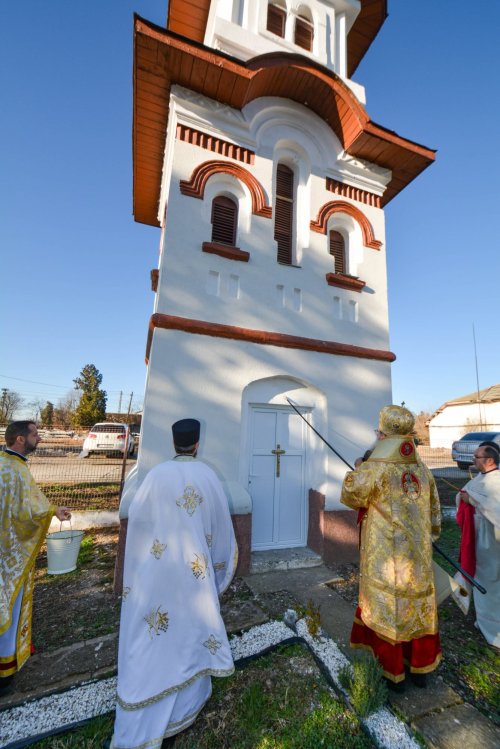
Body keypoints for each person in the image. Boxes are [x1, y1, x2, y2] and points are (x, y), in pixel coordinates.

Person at [111, 418, 238, 749]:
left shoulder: (155, 476)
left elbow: (138, 522)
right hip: (193, 573)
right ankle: (186, 704)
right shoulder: (208, 475)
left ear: (174, 443)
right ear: (197, 444)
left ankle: (148, 701)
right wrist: (217, 569)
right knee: (190, 629)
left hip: (156, 572)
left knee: (153, 634)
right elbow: (222, 527)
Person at [341, 405, 442, 690]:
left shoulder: (376, 468)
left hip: (384, 556)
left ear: (383, 433)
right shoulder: (422, 470)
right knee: (417, 604)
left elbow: (351, 494)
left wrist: (358, 469)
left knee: (387, 604)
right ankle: (420, 670)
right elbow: (435, 516)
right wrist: (425, 538)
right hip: (417, 557)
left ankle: (392, 673)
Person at [0, 421, 71, 692]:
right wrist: (53, 511)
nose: (39, 438)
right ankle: (5, 673)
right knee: (9, 604)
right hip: (12, 554)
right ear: (20, 439)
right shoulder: (17, 471)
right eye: (34, 434)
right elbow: (29, 511)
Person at [456, 442, 500, 648]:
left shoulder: (498, 481)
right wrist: (463, 497)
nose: (473, 460)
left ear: (490, 460)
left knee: (492, 580)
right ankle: (483, 622)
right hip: (476, 538)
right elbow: (464, 495)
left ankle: (495, 630)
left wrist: (473, 501)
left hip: (492, 539)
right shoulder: (479, 479)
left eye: (476, 457)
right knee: (480, 577)